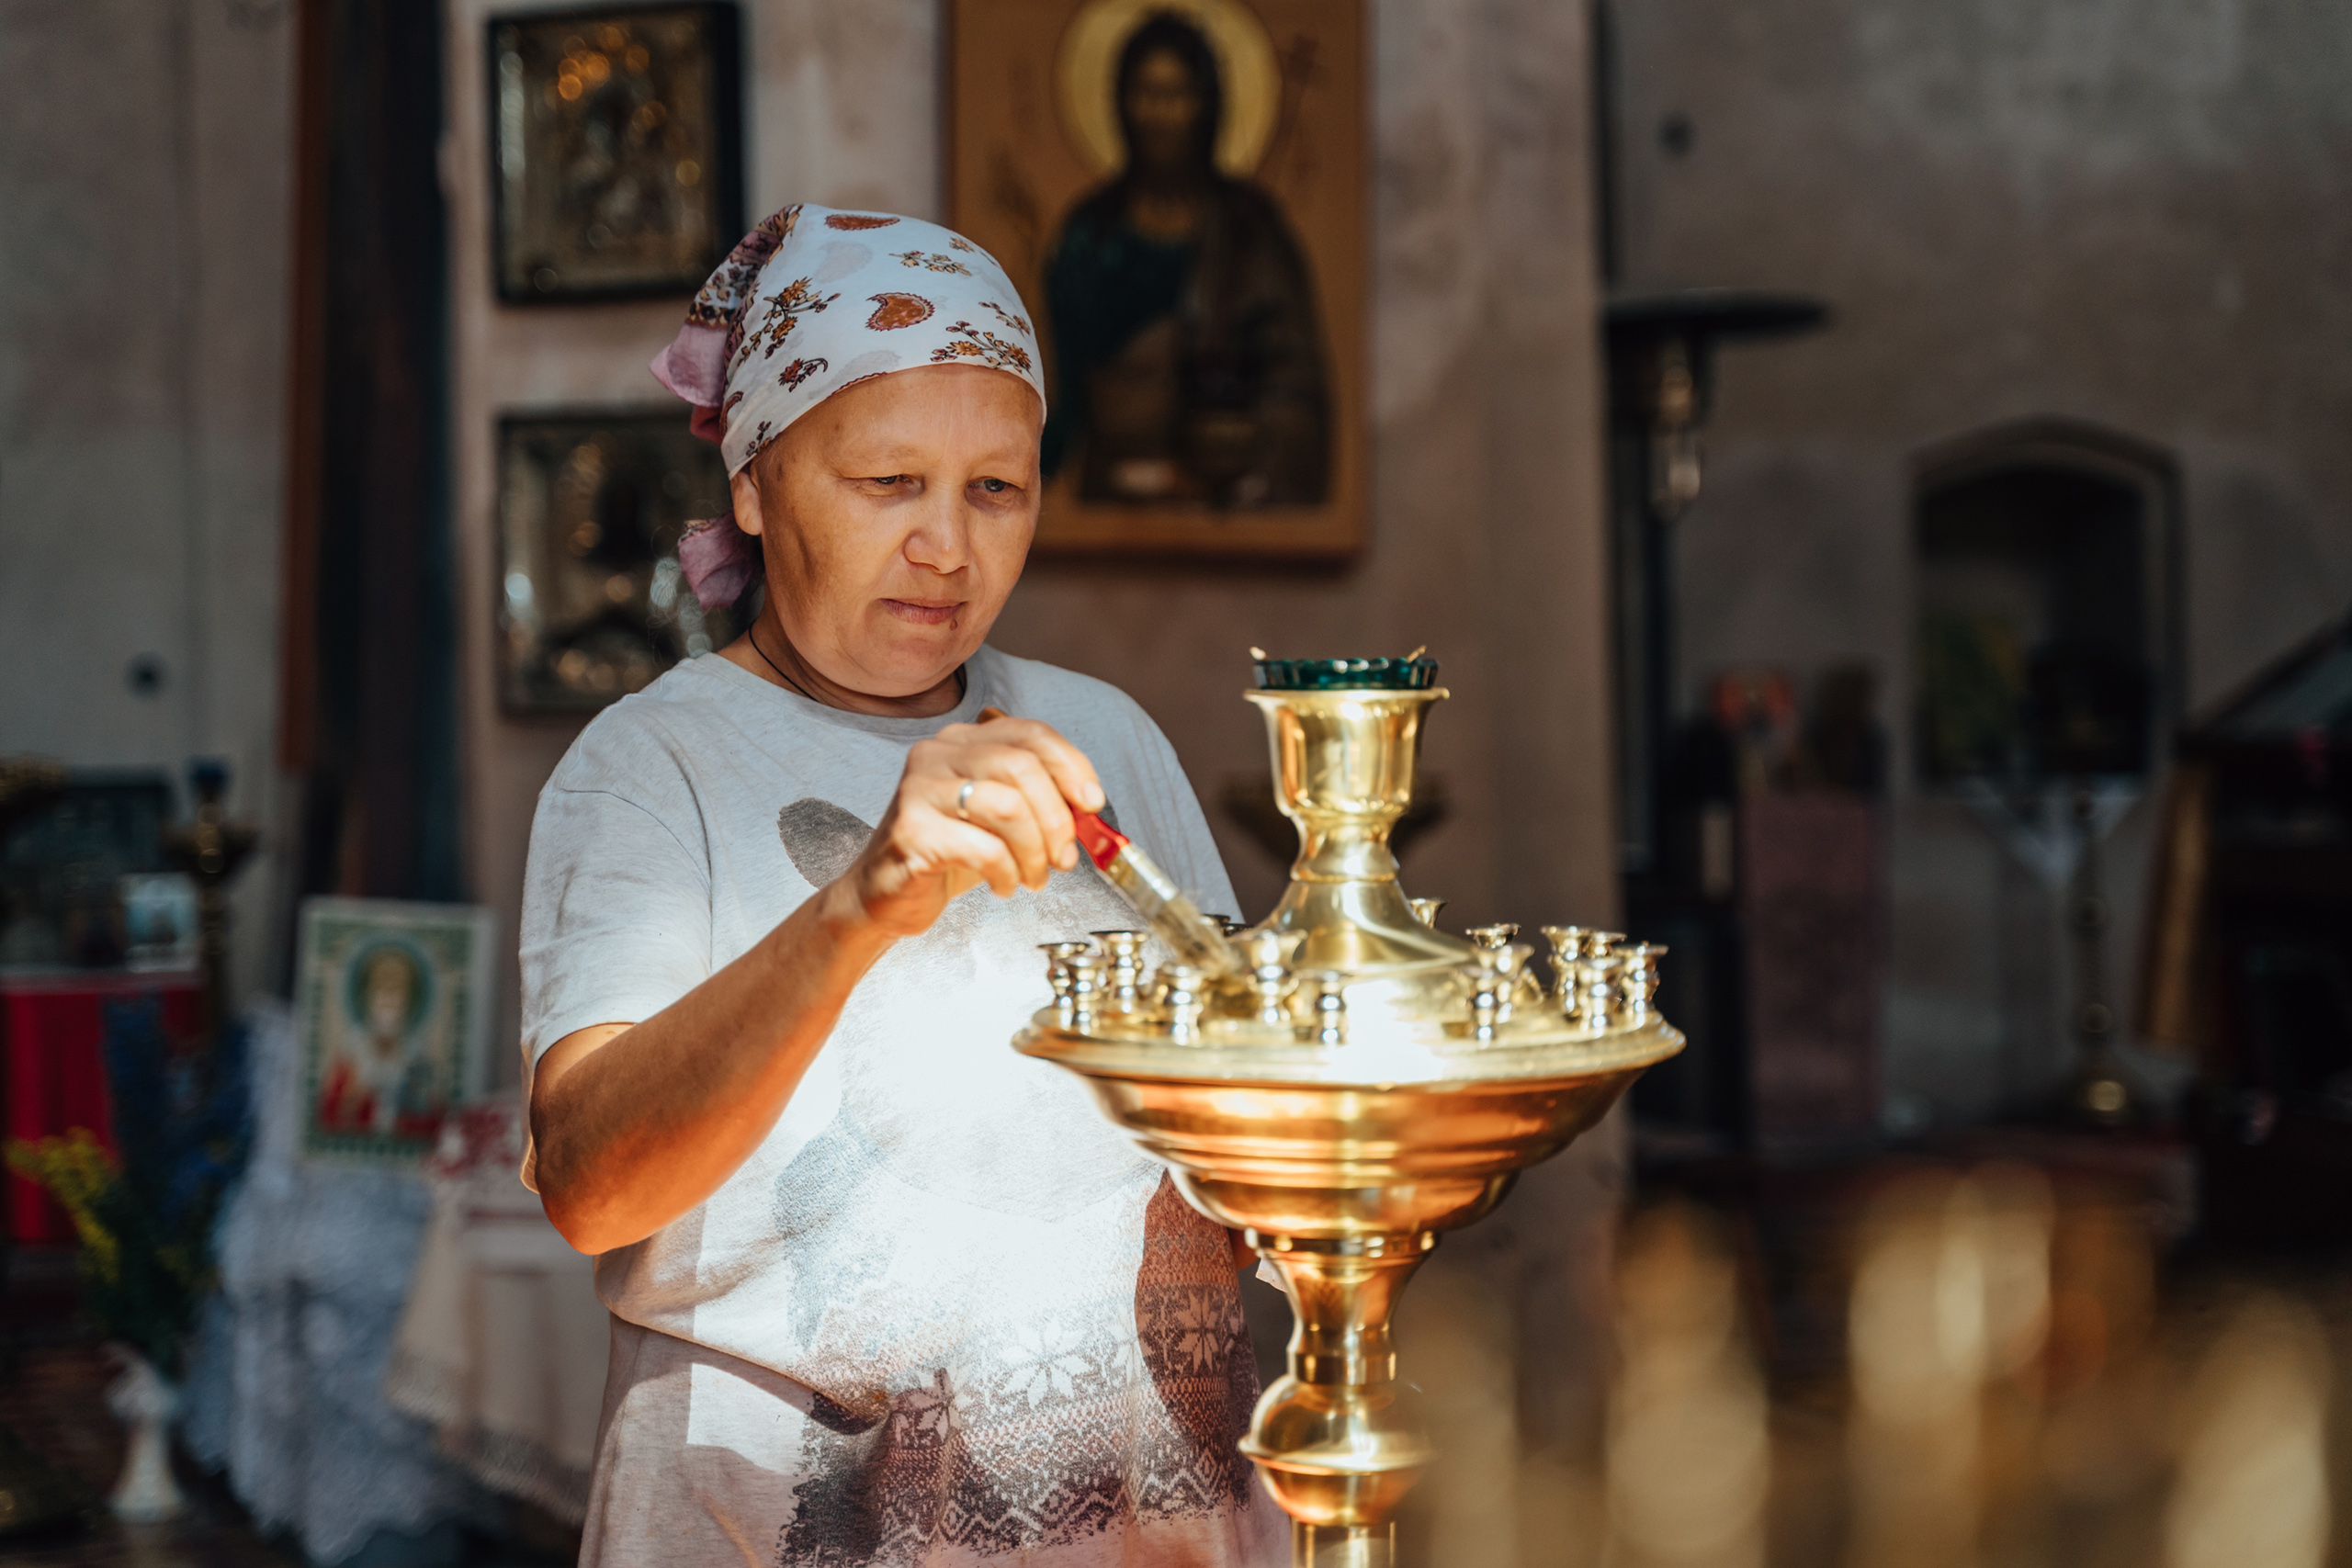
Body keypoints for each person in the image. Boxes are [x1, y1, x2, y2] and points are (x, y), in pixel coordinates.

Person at [521, 204, 1281, 1567]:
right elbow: (589, 1180)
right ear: (754, 483)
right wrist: (861, 899)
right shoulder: (653, 765)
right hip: (783, 1525)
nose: (950, 545)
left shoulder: (1102, 733)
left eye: (998, 487)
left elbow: (1230, 1102)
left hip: (1151, 1519)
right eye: (889, 485)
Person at [1042, 12, 1329, 508]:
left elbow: (1296, 388)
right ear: (1119, 103)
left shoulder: (1249, 232)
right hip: (1111, 503)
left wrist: (1247, 427)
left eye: (1175, 95)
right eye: (1143, 93)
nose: (1157, 114)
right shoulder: (1090, 232)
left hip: (1224, 502)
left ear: (1206, 106)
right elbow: (1058, 388)